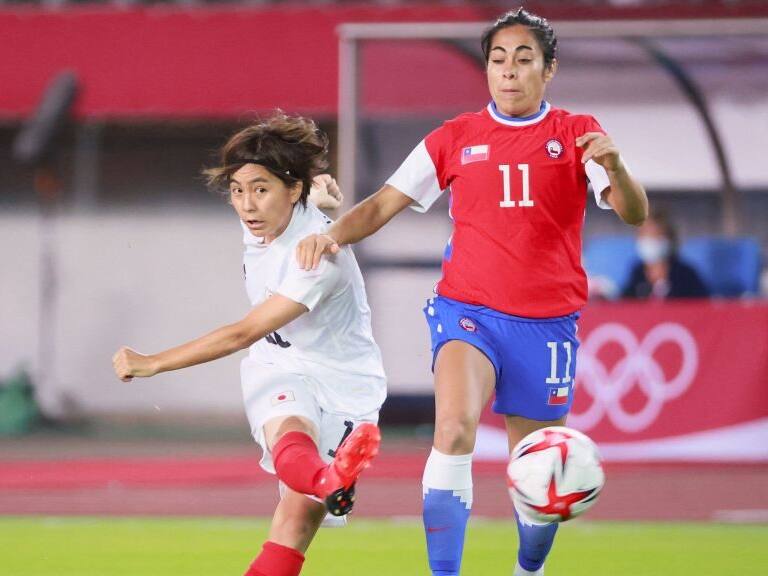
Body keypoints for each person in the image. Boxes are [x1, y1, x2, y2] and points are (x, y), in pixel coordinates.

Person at [297, 8, 647, 576]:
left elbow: (634, 213)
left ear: (548, 69)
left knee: (538, 469)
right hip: (469, 311)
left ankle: (528, 569)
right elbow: (385, 202)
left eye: (524, 59)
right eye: (498, 59)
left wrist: (616, 166)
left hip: (548, 324)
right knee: (454, 427)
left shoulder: (577, 132)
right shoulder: (455, 137)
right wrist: (331, 235)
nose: (509, 71)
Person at [112, 113, 385, 576]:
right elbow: (295, 204)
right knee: (289, 427)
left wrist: (153, 363)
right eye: (238, 190)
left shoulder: (318, 259)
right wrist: (317, 197)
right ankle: (327, 479)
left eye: (260, 189)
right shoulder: (271, 218)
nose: (246, 205)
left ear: (291, 190)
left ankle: (324, 481)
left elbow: (242, 333)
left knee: (293, 525)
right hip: (279, 366)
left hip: (345, 385)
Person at [622, 208, 709, 299]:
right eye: (646, 235)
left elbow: (703, 304)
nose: (651, 241)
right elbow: (624, 303)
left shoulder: (685, 273)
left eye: (657, 235)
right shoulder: (637, 272)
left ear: (670, 239)